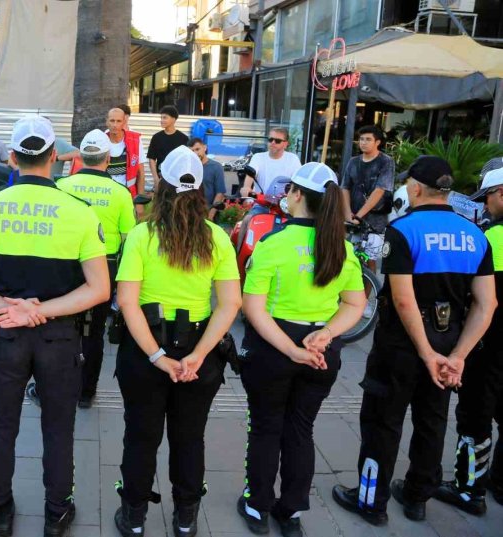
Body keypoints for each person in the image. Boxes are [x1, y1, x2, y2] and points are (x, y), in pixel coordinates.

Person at [0, 115, 109, 537]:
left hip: (6, 334)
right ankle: (57, 512)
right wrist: (45, 310)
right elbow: (99, 289)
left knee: (2, 425)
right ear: (54, 156)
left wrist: (9, 308)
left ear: (14, 158)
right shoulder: (79, 213)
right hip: (59, 338)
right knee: (58, 429)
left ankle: (1, 509)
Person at [332, 156, 496, 526]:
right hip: (449, 340)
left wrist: (424, 352)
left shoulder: (403, 230)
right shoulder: (474, 234)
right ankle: (417, 496)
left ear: (416, 188)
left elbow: (404, 300)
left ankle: (371, 501)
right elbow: (487, 304)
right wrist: (458, 356)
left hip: (401, 346)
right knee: (432, 420)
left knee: (383, 420)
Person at [112, 146, 241, 537]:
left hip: (145, 348)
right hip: (198, 351)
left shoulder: (141, 235)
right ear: (200, 189)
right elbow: (230, 304)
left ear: (161, 185)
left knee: (141, 435)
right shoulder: (217, 238)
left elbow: (127, 302)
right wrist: (199, 355)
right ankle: (186, 519)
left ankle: (134, 518)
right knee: (190, 437)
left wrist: (156, 356)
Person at [235, 163, 366, 537]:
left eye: (289, 190)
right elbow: (355, 304)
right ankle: (290, 512)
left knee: (265, 428)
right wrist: (326, 333)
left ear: (295, 194)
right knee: (300, 429)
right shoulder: (341, 247)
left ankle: (258, 506)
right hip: (322, 350)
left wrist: (291, 350)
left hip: (274, 346)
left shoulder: (272, 243)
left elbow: (253, 308)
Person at [433, 163, 503, 514]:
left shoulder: (495, 237)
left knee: (475, 414)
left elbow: (482, 298)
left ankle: (468, 489)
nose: (485, 205)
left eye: (487, 197)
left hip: (491, 345)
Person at [55, 129, 135, 408]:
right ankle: (86, 392)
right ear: (108, 157)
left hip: (66, 265)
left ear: (81, 157)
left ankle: (54, 387)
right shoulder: (121, 193)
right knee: (94, 331)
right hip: (104, 267)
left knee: (60, 325)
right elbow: (128, 239)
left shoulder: (62, 185)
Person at [341, 125, 395, 317]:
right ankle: (344, 298)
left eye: (368, 139)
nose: (363, 142)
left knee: (370, 260)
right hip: (352, 219)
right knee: (347, 256)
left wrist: (360, 215)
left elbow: (380, 191)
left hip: (375, 220)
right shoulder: (353, 162)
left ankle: (365, 301)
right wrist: (348, 213)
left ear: (378, 142)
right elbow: (345, 187)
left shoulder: (386, 162)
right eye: (361, 139)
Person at [239, 127, 301, 201]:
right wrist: (246, 187)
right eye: (270, 139)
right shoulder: (258, 157)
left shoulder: (293, 159)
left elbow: (298, 182)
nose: (273, 142)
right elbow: (250, 174)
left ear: (286, 144)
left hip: (282, 203)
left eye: (277, 141)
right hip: (260, 202)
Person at [105, 108, 147, 197]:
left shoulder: (135, 140)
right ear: (107, 122)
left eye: (118, 121)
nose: (115, 125)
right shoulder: (101, 140)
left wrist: (140, 200)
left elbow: (141, 173)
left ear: (124, 122)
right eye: (112, 121)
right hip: (106, 194)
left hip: (128, 195)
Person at [147, 105, 189, 189]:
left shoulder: (183, 138)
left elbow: (186, 161)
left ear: (173, 119)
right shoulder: (156, 137)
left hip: (177, 180)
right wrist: (155, 178)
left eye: (165, 118)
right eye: (161, 118)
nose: (162, 120)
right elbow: (151, 159)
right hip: (161, 178)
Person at [189, 137, 226, 218]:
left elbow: (220, 192)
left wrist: (210, 215)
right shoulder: (187, 167)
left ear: (205, 148)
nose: (195, 153)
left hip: (208, 211)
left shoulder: (216, 167)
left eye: (197, 149)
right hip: (190, 212)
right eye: (192, 151)